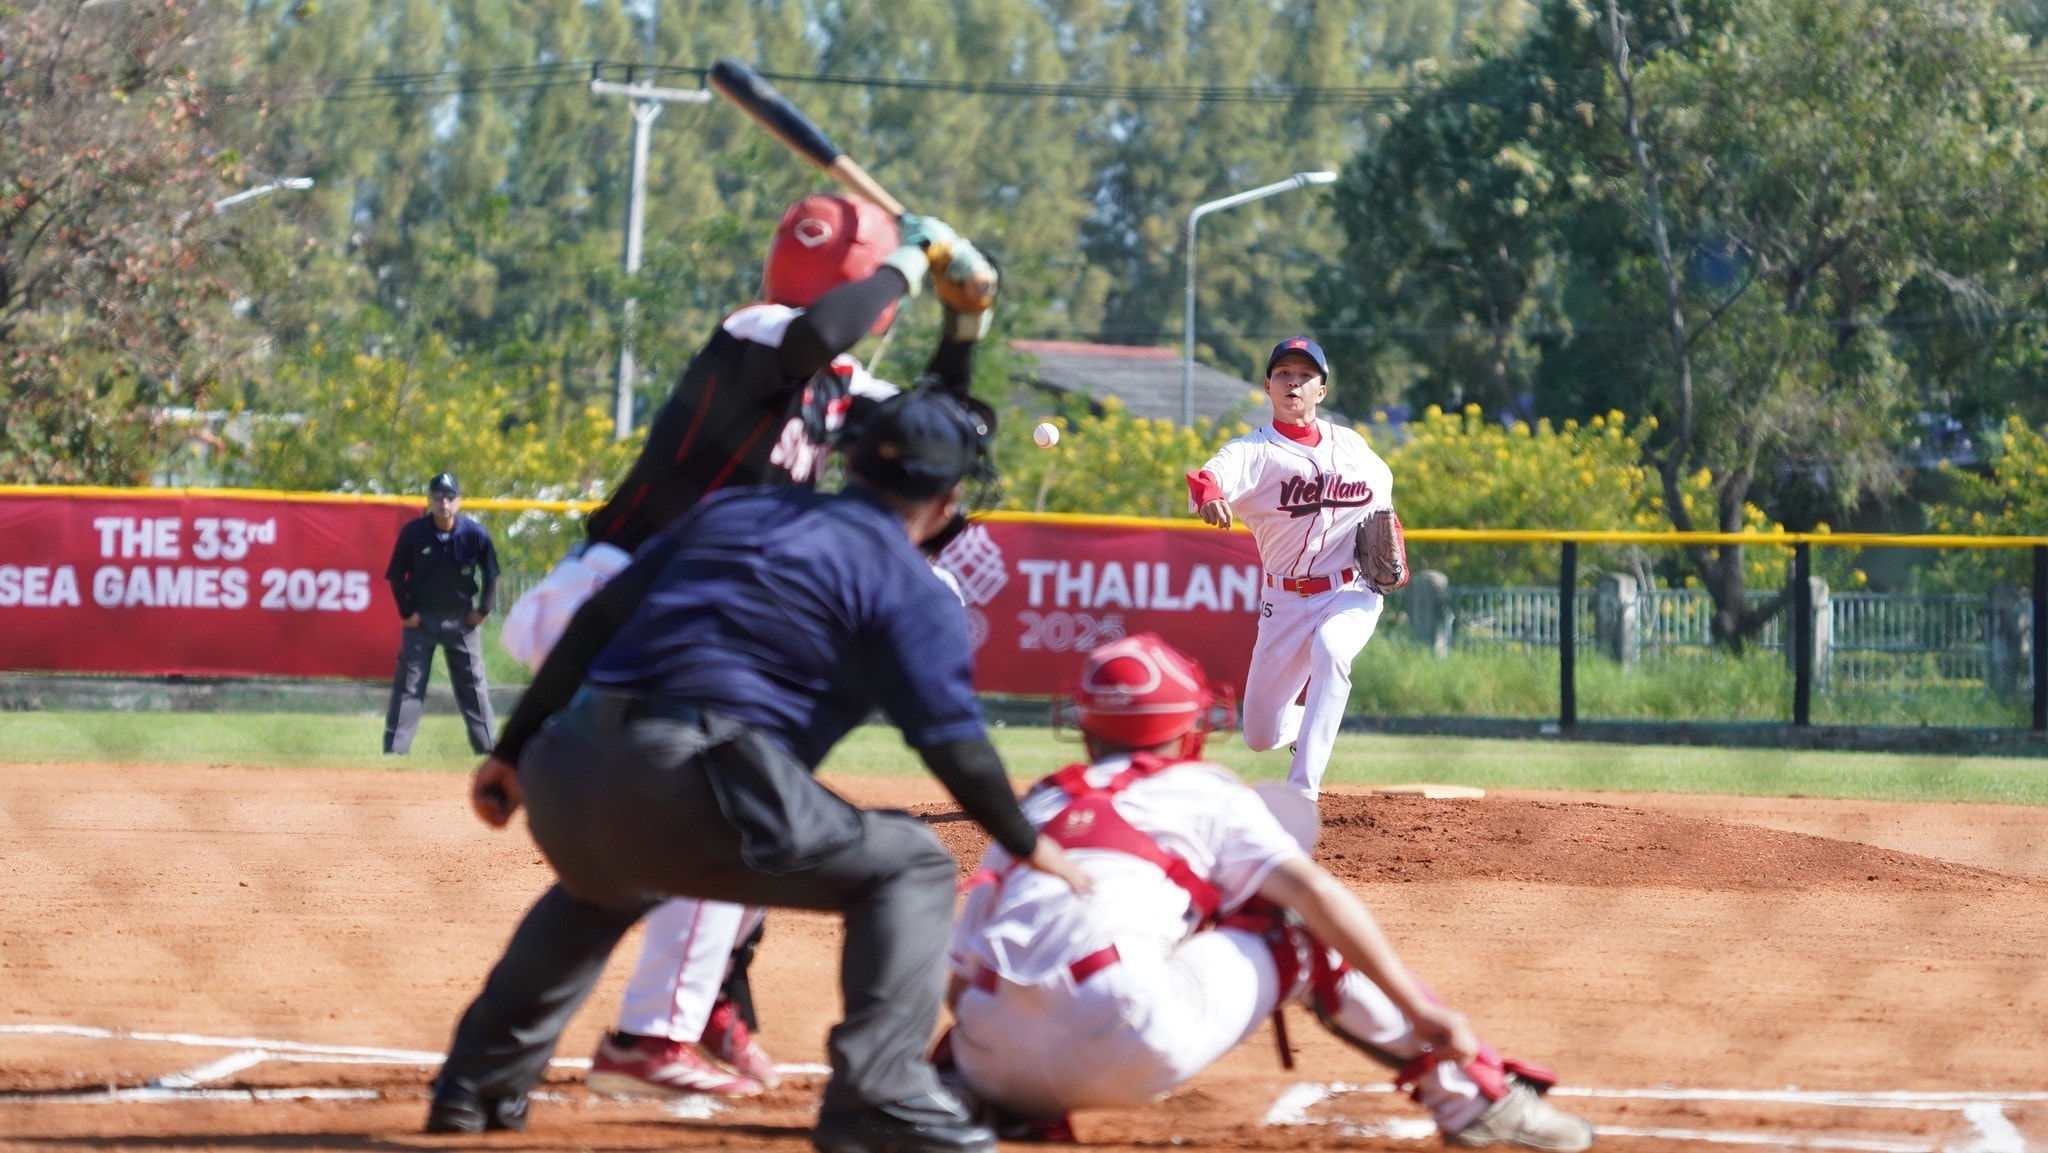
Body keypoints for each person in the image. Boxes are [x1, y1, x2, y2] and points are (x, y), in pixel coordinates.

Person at [427, 391, 1090, 1153]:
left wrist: (510, 749)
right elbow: (950, 742)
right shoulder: (911, 584)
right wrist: (1025, 840)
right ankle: (878, 1095)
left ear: (847, 463)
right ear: (948, 500)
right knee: (911, 863)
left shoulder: (735, 513)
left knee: (601, 885)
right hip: (692, 770)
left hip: (568, 761)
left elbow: (596, 621)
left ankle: (473, 1088)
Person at [497, 196, 1001, 1099]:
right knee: (713, 815)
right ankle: (656, 1032)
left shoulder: (845, 384)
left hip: (657, 623)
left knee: (730, 813)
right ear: (868, 286)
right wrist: (916, 258)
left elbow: (943, 434)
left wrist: (966, 325)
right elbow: (816, 332)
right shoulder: (762, 328)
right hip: (620, 593)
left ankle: (700, 997)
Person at [942, 634, 1595, 1151]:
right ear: (1186, 725)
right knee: (1294, 924)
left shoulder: (1039, 803)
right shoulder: (1206, 789)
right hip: (1126, 1036)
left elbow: (957, 969)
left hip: (987, 1054)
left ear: (1083, 722)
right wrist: (1418, 1007)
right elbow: (1316, 895)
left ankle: (977, 1099)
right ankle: (1477, 1100)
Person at [1186, 337, 1394, 799]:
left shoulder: (1354, 447)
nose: (1293, 381)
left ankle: (1302, 792)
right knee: (1259, 734)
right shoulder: (1254, 452)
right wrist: (1211, 497)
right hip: (1282, 600)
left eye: (1304, 375)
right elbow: (1208, 476)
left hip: (1349, 591)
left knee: (1333, 651)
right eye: (1284, 374)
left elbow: (1385, 505)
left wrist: (1392, 539)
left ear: (1322, 390)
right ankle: (1310, 725)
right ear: (1267, 386)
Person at [383, 472, 499, 755]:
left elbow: (492, 574)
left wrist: (483, 609)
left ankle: (487, 748)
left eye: (450, 497)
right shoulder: (414, 533)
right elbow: (396, 574)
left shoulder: (474, 534)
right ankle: (396, 751)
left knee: (472, 684)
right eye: (438, 497)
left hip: (461, 619)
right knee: (410, 683)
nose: (444, 503)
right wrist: (406, 611)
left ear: (459, 501)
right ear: (430, 500)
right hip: (421, 619)